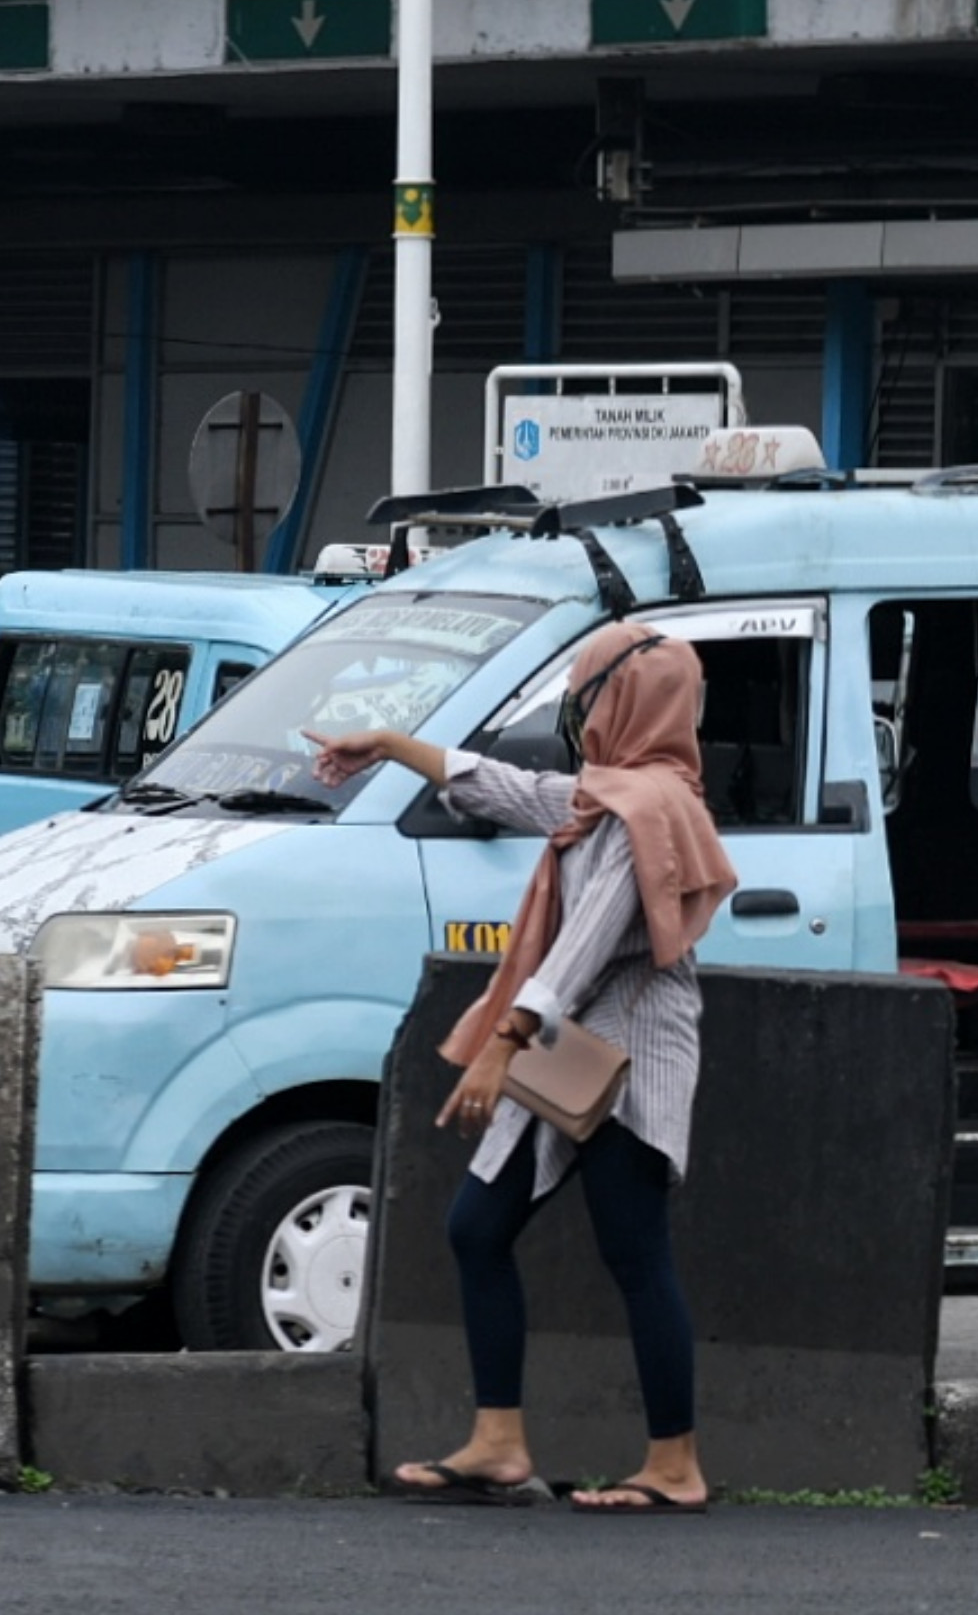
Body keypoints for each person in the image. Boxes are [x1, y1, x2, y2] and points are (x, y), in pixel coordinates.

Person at [307, 623, 737, 1515]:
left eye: (585, 693)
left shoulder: (651, 810)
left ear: (624, 702)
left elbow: (585, 946)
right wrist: (387, 744)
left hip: (629, 1059)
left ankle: (674, 1467)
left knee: (635, 1250)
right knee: (478, 1228)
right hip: (569, 1046)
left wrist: (503, 1044)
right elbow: (500, 786)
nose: (575, 710)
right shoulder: (603, 796)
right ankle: (499, 1443)